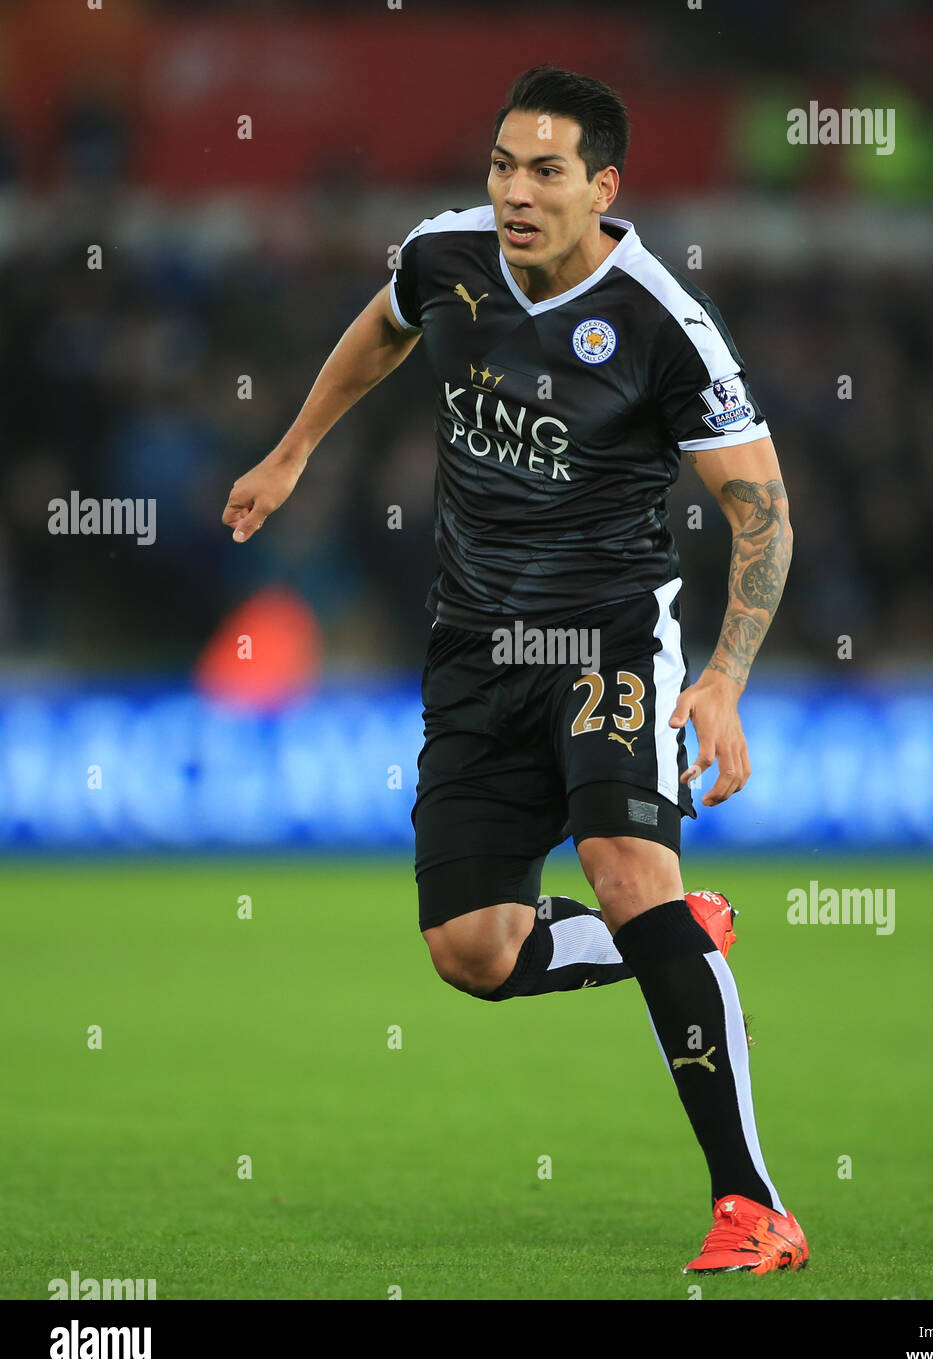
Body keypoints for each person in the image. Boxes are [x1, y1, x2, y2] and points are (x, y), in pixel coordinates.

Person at [222, 65, 806, 1276]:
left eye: (545, 171)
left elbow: (763, 514)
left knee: (622, 869)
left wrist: (726, 676)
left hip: (606, 644)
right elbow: (381, 327)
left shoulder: (659, 324)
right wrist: (288, 453)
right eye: (501, 165)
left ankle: (752, 1203)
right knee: (470, 952)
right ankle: (675, 935)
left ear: (603, 186)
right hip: (474, 646)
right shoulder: (445, 256)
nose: (514, 192)